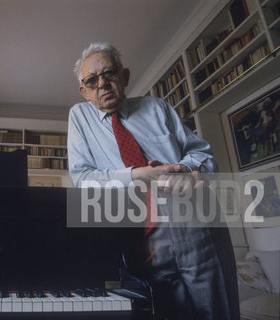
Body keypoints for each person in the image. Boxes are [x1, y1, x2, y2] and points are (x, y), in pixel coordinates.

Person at [68, 42, 240, 320]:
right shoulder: (80, 117)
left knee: (218, 312)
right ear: (84, 91)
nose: (102, 83)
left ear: (124, 76)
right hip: (142, 241)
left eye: (109, 73)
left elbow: (203, 154)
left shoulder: (157, 107)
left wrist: (185, 170)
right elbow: (83, 181)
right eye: (92, 80)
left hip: (195, 226)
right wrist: (136, 174)